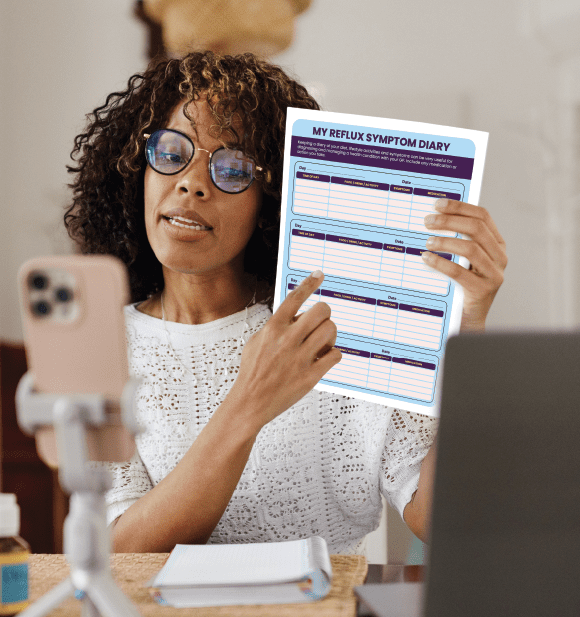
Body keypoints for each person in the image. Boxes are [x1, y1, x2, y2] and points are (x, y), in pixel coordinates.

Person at [63, 52, 507, 554]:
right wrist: (249, 402)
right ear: (135, 171)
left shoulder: (336, 326)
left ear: (273, 202)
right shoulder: (101, 347)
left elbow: (444, 518)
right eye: (171, 152)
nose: (191, 182)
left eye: (231, 167)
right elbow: (120, 549)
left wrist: (468, 323)